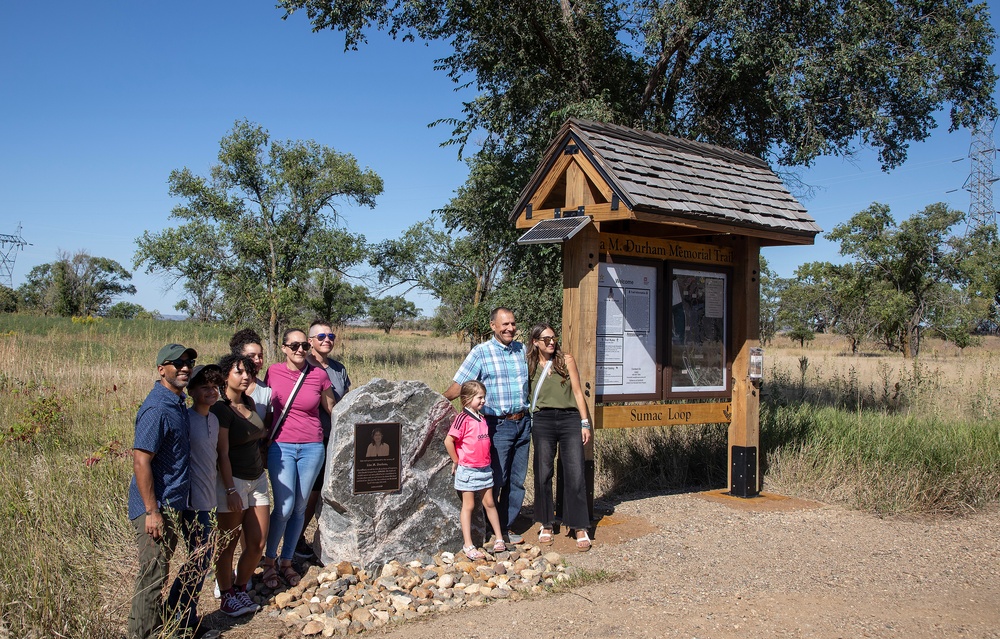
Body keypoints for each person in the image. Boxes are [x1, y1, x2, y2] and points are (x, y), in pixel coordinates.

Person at [444, 307, 530, 545]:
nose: (510, 328)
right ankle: (490, 528)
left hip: (523, 422)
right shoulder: (481, 352)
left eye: (513, 323)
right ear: (493, 326)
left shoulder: (522, 350)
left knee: (517, 480)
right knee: (496, 480)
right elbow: (460, 385)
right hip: (497, 426)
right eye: (504, 324)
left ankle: (506, 525)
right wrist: (439, 401)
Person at [127, 343, 197, 639]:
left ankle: (155, 628)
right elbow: (141, 460)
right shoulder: (157, 407)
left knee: (159, 572)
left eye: (189, 363)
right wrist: (152, 511)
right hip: (156, 507)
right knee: (152, 577)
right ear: (161, 369)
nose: (184, 367)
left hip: (172, 503)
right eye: (177, 363)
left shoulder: (176, 402)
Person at [262, 328, 336, 587]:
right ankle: (269, 561)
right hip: (281, 446)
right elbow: (259, 405)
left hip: (312, 446)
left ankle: (287, 560)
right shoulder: (272, 372)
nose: (300, 350)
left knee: (300, 506)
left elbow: (333, 409)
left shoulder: (319, 375)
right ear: (283, 347)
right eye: (294, 345)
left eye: (304, 345)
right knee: (284, 506)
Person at [526, 324, 593, 551]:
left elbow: (577, 392)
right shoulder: (529, 363)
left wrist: (584, 423)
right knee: (543, 471)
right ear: (535, 342)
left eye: (554, 338)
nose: (551, 342)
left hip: (569, 419)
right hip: (542, 420)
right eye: (546, 339)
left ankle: (579, 525)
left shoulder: (566, 360)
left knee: (575, 472)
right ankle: (547, 522)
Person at [168, 363, 225, 631]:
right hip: (192, 503)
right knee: (199, 560)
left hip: (210, 499)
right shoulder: (185, 420)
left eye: (214, 387)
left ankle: (180, 613)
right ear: (191, 391)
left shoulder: (213, 419)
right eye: (204, 387)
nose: (211, 392)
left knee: (202, 560)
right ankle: (180, 618)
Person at [212, 354, 268, 614]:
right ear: (225, 376)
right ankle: (226, 595)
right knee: (228, 544)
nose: (246, 377)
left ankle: (240, 586)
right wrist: (230, 490)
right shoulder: (221, 409)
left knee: (257, 543)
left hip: (258, 480)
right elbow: (222, 453)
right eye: (239, 372)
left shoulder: (250, 402)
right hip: (233, 481)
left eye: (248, 372)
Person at [295, 320, 351, 561]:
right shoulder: (301, 366)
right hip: (308, 439)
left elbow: (347, 403)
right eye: (321, 337)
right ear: (310, 342)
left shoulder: (339, 369)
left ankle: (324, 539)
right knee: (308, 493)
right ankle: (294, 539)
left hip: (335, 439)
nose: (327, 340)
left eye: (330, 335)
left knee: (326, 491)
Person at [445, 381, 507, 560]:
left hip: (485, 468)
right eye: (479, 397)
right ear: (467, 399)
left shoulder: (482, 418)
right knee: (469, 505)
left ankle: (499, 537)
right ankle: (468, 543)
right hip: (468, 469)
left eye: (483, 397)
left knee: (489, 503)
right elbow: (449, 441)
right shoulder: (462, 419)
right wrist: (456, 460)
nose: (483, 401)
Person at [229, 328, 272, 425]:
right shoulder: (221, 388)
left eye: (260, 356)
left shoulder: (266, 392)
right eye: (251, 356)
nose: (257, 360)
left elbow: (267, 427)